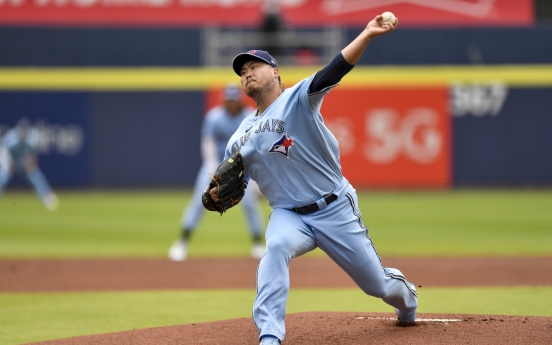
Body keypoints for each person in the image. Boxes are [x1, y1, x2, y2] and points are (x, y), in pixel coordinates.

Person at [209, 14, 417, 345]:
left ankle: (407, 298)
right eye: (242, 71)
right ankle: (269, 334)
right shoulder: (240, 136)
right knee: (275, 247)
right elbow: (232, 180)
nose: (247, 72)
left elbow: (335, 68)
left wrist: (366, 34)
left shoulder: (298, 98)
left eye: (254, 66)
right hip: (288, 215)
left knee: (377, 285)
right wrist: (218, 193)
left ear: (275, 71)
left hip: (334, 207)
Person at [168, 84, 266, 262]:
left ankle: (258, 243)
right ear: (224, 100)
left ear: (240, 100)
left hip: (241, 167)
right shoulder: (215, 117)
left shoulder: (250, 116)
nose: (232, 103)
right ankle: (182, 242)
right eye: (229, 99)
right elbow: (208, 143)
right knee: (200, 200)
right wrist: (212, 166)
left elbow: (256, 146)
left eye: (234, 99)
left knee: (250, 203)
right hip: (215, 165)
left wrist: (255, 176)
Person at [0, 118, 59, 211]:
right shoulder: (11, 137)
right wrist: (10, 166)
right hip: (8, 158)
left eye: (26, 128)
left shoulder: (34, 136)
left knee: (35, 175)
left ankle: (47, 197)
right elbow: (5, 152)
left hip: (23, 159)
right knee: (3, 177)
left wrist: (28, 162)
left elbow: (32, 153)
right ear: (19, 129)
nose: (24, 130)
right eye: (22, 128)